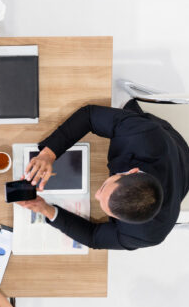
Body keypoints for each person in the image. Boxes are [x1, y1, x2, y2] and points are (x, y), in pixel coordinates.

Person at [17, 100, 189, 250]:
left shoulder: (147, 234)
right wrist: (48, 154)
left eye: (106, 208)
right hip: (174, 147)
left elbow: (94, 238)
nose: (96, 194)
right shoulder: (143, 135)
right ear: (132, 171)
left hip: (180, 183)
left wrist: (45, 209)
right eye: (105, 187)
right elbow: (89, 116)